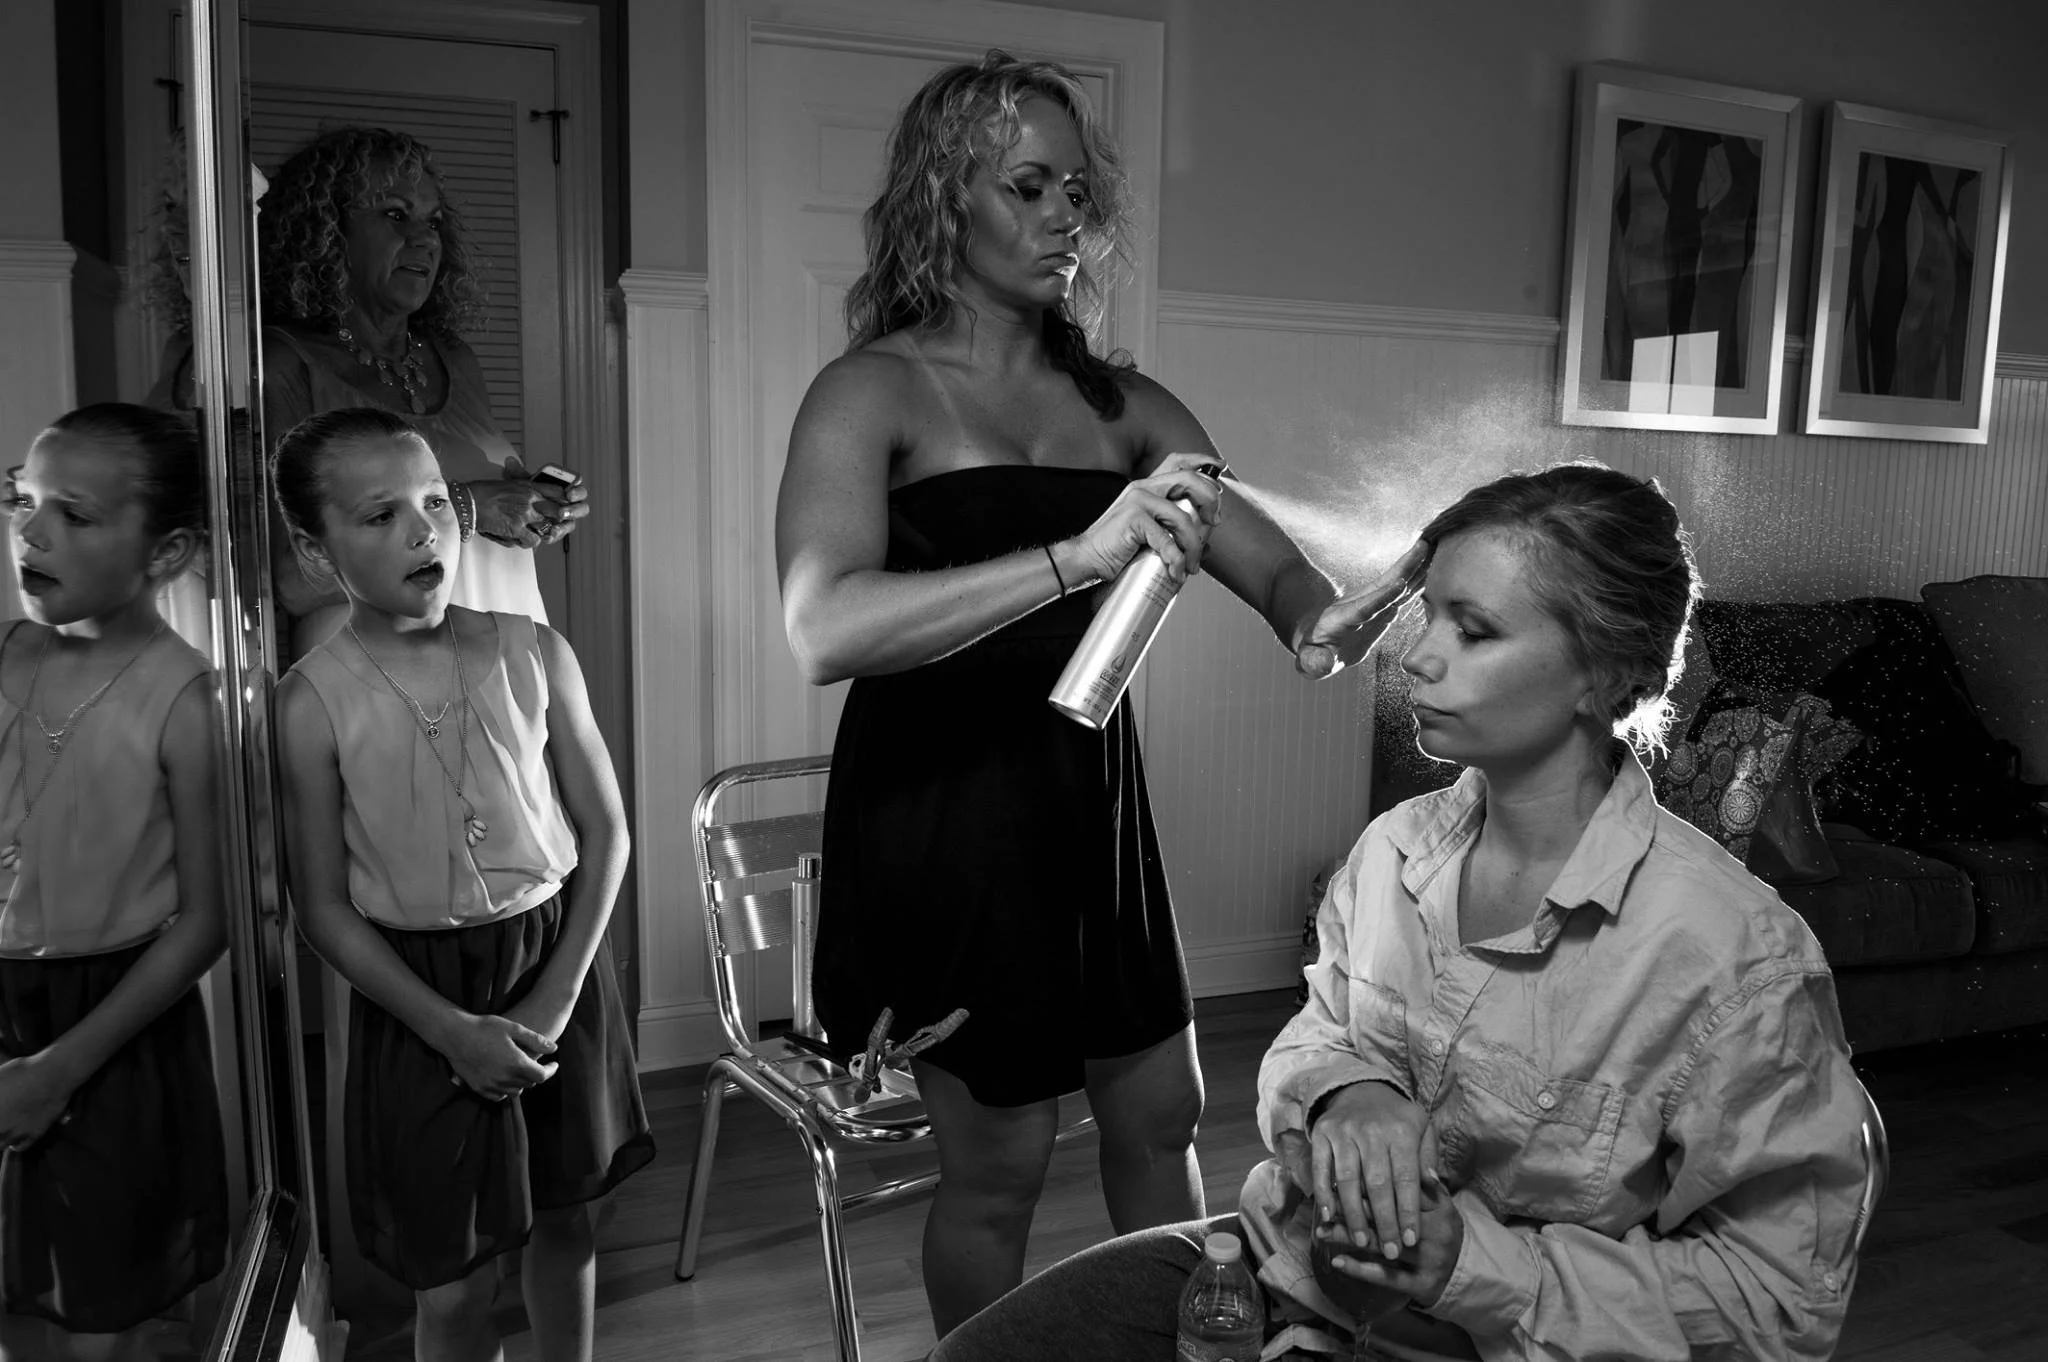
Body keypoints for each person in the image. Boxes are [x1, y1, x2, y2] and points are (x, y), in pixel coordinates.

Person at [928, 464, 1871, 1361]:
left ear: (1607, 671)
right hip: (1284, 1273)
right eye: (1428, 617)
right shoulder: (1392, 853)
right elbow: (1314, 1038)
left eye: (1475, 631)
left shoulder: (1734, 957)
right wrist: (1348, 1089)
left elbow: (1782, 1308)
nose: (1416, 657)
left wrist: (1470, 1266)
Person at [774, 50, 1424, 1338]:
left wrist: (1375, 595)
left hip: (1090, 812)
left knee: (1159, 1116)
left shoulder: (1124, 407)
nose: (1066, 214)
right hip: (942, 818)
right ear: (943, 199)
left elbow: (1301, 605)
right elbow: (822, 625)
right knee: (999, 1168)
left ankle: (1183, 1340)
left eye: (1078, 189)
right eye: (1028, 185)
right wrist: (1076, 554)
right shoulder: (872, 392)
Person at [270, 407, 652, 1362]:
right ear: (319, 557)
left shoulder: (536, 652)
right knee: (453, 1276)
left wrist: (559, 996)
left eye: (436, 501)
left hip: (556, 962)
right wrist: (449, 1030)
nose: (424, 529)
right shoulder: (309, 702)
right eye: (380, 515)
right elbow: (321, 907)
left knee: (567, 1227)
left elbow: (605, 833)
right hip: (419, 998)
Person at [0, 404, 230, 1358]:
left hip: (115, 1027)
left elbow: (208, 919)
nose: (32, 531)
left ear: (166, 551)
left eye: (76, 515)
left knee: (107, 1311)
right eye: (24, 502)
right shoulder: (7, 656)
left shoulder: (188, 698)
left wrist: (60, 1067)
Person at [258, 126, 589, 658]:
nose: (425, 239)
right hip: (375, 680)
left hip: (501, 659)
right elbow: (292, 580)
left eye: (432, 222)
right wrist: (468, 508)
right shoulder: (284, 365)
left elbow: (485, 522)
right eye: (394, 214)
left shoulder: (454, 359)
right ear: (326, 231)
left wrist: (531, 508)